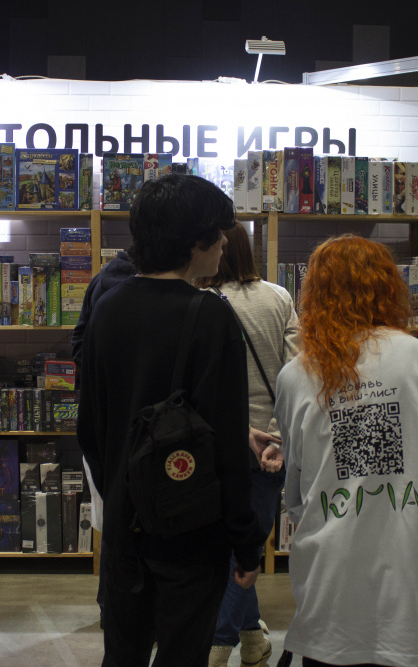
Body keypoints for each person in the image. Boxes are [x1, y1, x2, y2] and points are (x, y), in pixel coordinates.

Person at [77, 174, 266, 667]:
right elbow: (227, 445)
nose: (224, 243)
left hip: (125, 525)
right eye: (218, 232)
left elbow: (90, 426)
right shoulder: (212, 317)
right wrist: (246, 541)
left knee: (122, 653)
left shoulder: (107, 307)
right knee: (183, 654)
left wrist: (122, 490)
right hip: (192, 530)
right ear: (193, 240)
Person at [274, 235, 418, 667]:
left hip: (335, 576)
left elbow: (297, 489)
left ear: (314, 294)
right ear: (389, 287)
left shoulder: (297, 375)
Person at [195, 222, 299, 667]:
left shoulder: (201, 302)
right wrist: (277, 431)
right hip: (270, 445)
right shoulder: (279, 297)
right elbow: (298, 369)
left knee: (233, 549)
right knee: (249, 546)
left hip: (217, 443)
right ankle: (252, 639)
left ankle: (217, 647)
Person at [71, 246, 136, 627]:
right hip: (134, 425)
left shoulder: (99, 281)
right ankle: (124, 611)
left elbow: (79, 344)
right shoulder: (136, 288)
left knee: (114, 520)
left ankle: (109, 607)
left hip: (101, 421)